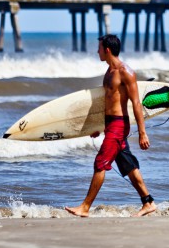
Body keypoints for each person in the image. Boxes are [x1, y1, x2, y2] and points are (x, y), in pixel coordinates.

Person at [66, 34, 157, 217]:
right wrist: (98, 126)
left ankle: (85, 207)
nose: (97, 51)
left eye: (99, 48)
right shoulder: (108, 72)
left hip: (119, 125)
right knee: (128, 166)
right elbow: (107, 103)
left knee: (100, 163)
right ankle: (148, 203)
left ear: (107, 50)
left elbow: (136, 103)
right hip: (110, 125)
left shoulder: (126, 72)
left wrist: (142, 133)